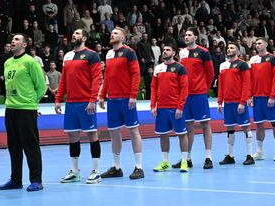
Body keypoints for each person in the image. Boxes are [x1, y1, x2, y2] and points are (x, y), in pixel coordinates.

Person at [0, 34, 46, 192]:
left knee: (30, 146)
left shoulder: (30, 62)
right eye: (12, 39)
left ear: (24, 44)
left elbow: (41, 86)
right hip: (10, 109)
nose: (13, 41)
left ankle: (36, 180)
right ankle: (16, 179)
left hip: (26, 109)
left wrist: (32, 103)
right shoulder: (7, 62)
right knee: (13, 146)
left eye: (17, 40)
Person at [55, 29, 103, 184]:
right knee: (72, 136)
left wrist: (92, 100)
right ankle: (75, 171)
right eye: (73, 33)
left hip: (86, 102)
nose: (74, 35)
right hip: (71, 104)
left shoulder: (92, 55)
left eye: (77, 33)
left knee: (92, 135)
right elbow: (63, 80)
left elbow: (97, 79)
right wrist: (58, 99)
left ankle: (96, 171)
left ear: (84, 37)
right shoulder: (68, 56)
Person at [98, 27, 144, 180]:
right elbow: (108, 77)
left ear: (123, 37)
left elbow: (136, 74)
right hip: (112, 100)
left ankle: (139, 167)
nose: (112, 34)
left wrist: (133, 95)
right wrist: (102, 95)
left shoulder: (129, 52)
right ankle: (116, 168)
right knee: (114, 133)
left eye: (116, 33)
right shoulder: (109, 54)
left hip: (126, 99)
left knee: (133, 132)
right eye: (111, 33)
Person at [172, 27, 214, 169]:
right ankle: (187, 158)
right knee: (188, 126)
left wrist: (203, 88)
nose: (187, 37)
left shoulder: (204, 52)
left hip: (199, 94)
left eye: (190, 35)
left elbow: (210, 73)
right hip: (185, 96)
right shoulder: (182, 52)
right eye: (185, 35)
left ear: (196, 37)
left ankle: (208, 157)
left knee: (205, 124)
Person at [150, 40, 190, 173]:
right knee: (163, 135)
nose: (164, 52)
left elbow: (184, 89)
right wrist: (153, 105)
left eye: (167, 50)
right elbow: (154, 88)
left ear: (173, 53)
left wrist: (180, 107)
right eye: (164, 50)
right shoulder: (158, 68)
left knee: (181, 134)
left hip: (175, 108)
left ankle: (184, 161)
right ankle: (165, 162)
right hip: (161, 108)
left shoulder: (180, 68)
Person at [217, 42, 254, 166]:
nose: (229, 49)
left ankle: (250, 155)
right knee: (230, 128)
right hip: (228, 103)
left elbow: (246, 83)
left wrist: (243, 102)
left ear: (238, 52)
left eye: (232, 48)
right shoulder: (223, 66)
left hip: (239, 102)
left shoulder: (242, 65)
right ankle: (230, 155)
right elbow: (221, 85)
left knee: (245, 128)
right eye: (228, 48)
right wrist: (219, 102)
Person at [249, 37, 275, 162]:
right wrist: (249, 96)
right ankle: (259, 152)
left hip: (269, 97)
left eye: (259, 43)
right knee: (258, 125)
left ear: (266, 44)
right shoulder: (253, 60)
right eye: (256, 44)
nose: (257, 45)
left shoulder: (273, 59)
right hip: (257, 98)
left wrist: (272, 96)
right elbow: (250, 79)